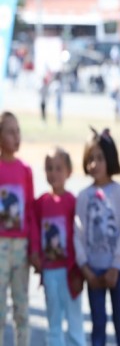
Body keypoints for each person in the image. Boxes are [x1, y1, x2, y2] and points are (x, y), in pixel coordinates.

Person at [74, 128, 120, 346]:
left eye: (100, 158)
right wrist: (85, 269)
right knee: (98, 324)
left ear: (109, 159)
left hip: (117, 271)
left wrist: (116, 267)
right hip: (93, 271)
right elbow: (78, 235)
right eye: (90, 159)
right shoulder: (83, 197)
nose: (94, 164)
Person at [32, 147, 85, 346]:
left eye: (58, 168)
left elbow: (80, 237)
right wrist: (35, 254)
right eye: (49, 168)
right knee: (54, 321)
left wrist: (79, 272)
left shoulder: (73, 202)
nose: (53, 173)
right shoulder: (41, 203)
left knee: (74, 320)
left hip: (70, 271)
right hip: (50, 271)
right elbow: (34, 231)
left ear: (69, 172)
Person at [0, 112, 36, 346]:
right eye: (10, 131)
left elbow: (30, 211)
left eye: (18, 131)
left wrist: (33, 247)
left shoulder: (25, 171)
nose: (16, 136)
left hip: (21, 249)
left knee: (21, 308)